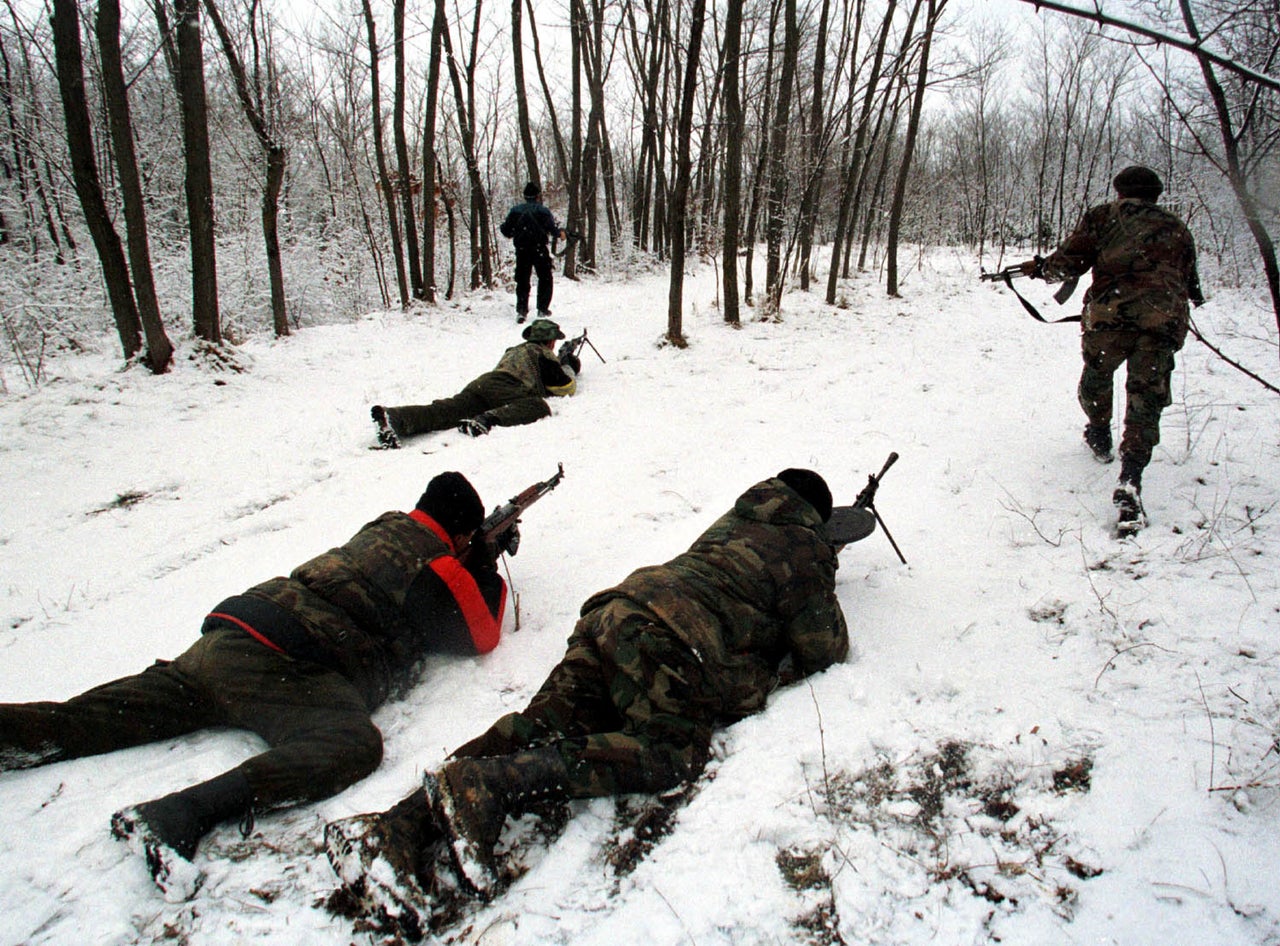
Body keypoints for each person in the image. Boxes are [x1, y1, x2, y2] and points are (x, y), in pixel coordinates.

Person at [323, 469, 848, 934]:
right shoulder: (804, 547)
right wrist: (825, 564)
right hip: (667, 639)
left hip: (614, 611)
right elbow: (823, 646)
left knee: (542, 721)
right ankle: (487, 785)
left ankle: (395, 826)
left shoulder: (736, 518)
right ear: (816, 518)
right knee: (672, 750)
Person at [0, 472, 508, 900]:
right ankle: (181, 814)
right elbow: (482, 635)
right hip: (286, 668)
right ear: (462, 534)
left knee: (97, 715)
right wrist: (485, 568)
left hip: (233, 630)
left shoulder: (383, 526)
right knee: (353, 743)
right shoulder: (440, 566)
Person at [1019, 165, 1203, 533]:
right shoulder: (1177, 228)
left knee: (1097, 376)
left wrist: (1039, 269)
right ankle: (1131, 477)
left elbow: (1067, 262)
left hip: (1110, 318)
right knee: (1146, 397)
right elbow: (1191, 284)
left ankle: (1099, 431)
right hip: (1160, 323)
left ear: (1120, 191)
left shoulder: (1104, 216)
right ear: (1156, 194)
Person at [370, 318, 581, 448]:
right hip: (508, 388)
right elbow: (565, 387)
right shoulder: (542, 353)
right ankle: (487, 420)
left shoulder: (515, 349)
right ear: (550, 341)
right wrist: (568, 363)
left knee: (446, 410)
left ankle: (395, 417)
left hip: (483, 384)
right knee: (538, 406)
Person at [499, 181, 565, 322]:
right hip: (539, 249)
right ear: (537, 196)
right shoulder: (543, 211)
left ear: (524, 196)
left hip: (522, 250)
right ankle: (542, 309)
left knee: (522, 280)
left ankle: (522, 311)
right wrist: (561, 233)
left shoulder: (515, 211)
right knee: (545, 278)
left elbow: (506, 231)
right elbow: (552, 230)